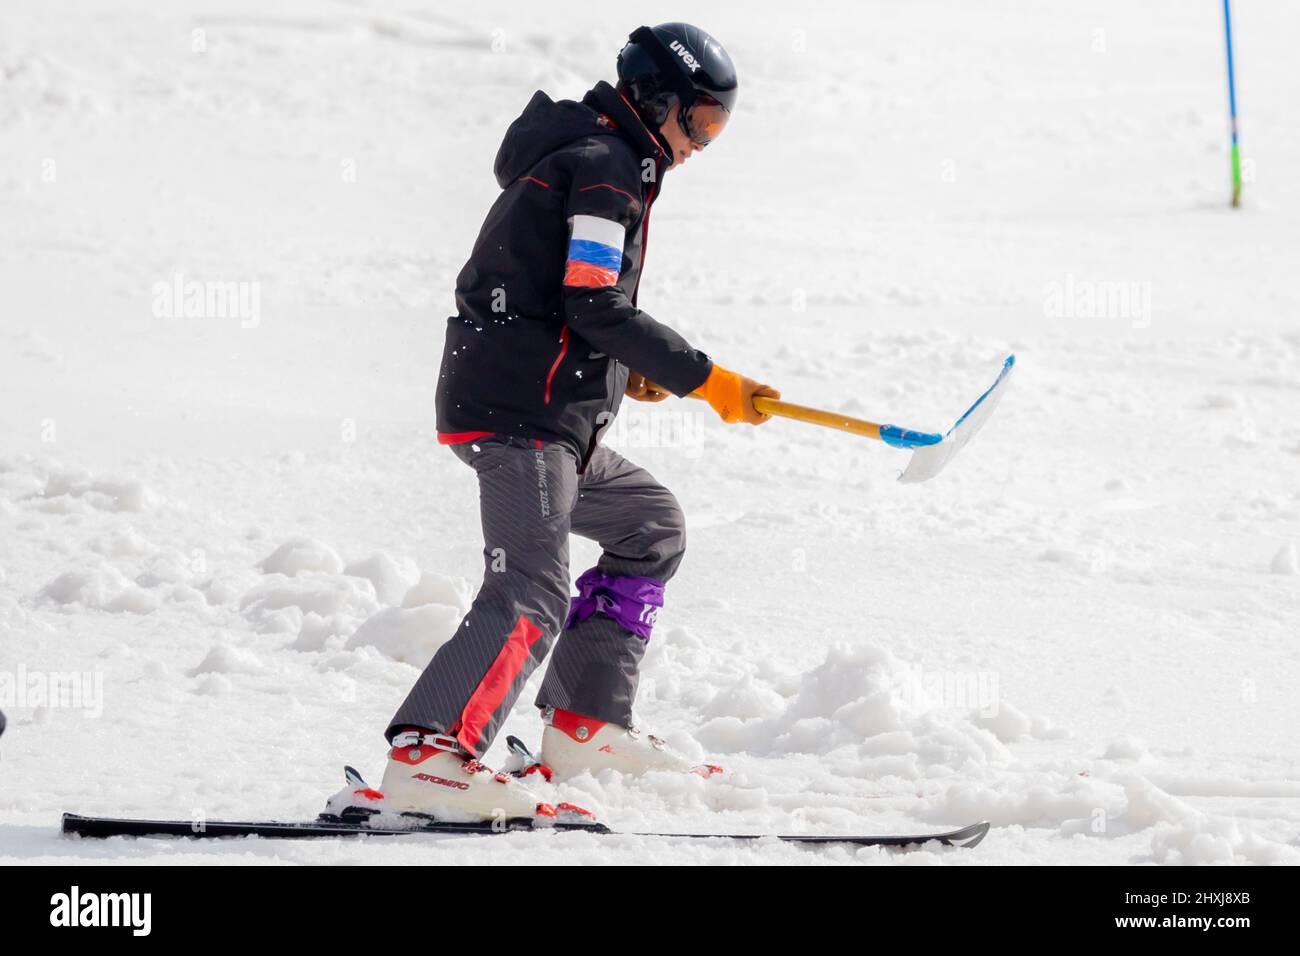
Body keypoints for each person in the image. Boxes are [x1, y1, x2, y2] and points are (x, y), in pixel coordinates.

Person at [345, 23, 778, 824]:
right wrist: (703, 379)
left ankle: (584, 723)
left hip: (547, 415)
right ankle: (429, 757)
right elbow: (594, 301)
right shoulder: (607, 168)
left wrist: (629, 370)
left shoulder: (604, 157)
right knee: (532, 584)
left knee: (650, 525)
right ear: (656, 100)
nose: (701, 145)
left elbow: (562, 298)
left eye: (718, 131)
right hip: (520, 417)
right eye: (700, 123)